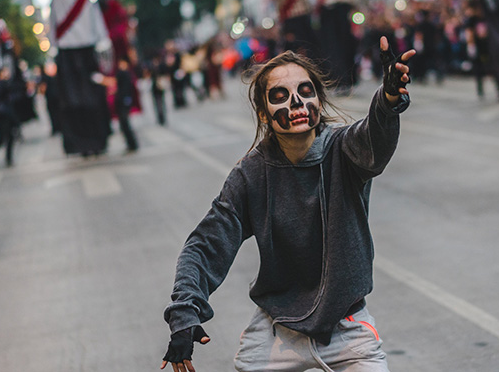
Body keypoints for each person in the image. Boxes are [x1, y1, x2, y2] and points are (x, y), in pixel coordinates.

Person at [161, 37, 415, 372]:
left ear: (319, 102)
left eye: (305, 91)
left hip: (347, 327)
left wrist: (388, 99)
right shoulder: (250, 174)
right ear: (264, 114)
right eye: (280, 96)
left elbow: (373, 142)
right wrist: (185, 311)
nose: (296, 102)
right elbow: (205, 245)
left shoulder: (344, 149)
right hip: (276, 331)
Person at [48, 0, 111, 156]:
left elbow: (53, 38)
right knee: (92, 98)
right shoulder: (86, 1)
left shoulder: (56, 2)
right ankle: (96, 141)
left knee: (73, 102)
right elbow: (101, 33)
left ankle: (81, 144)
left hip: (67, 58)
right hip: (86, 56)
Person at [114, 57, 138, 153]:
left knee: (125, 123)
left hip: (124, 100)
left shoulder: (124, 73)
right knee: (124, 124)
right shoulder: (125, 73)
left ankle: (132, 144)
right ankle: (130, 144)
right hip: (123, 100)